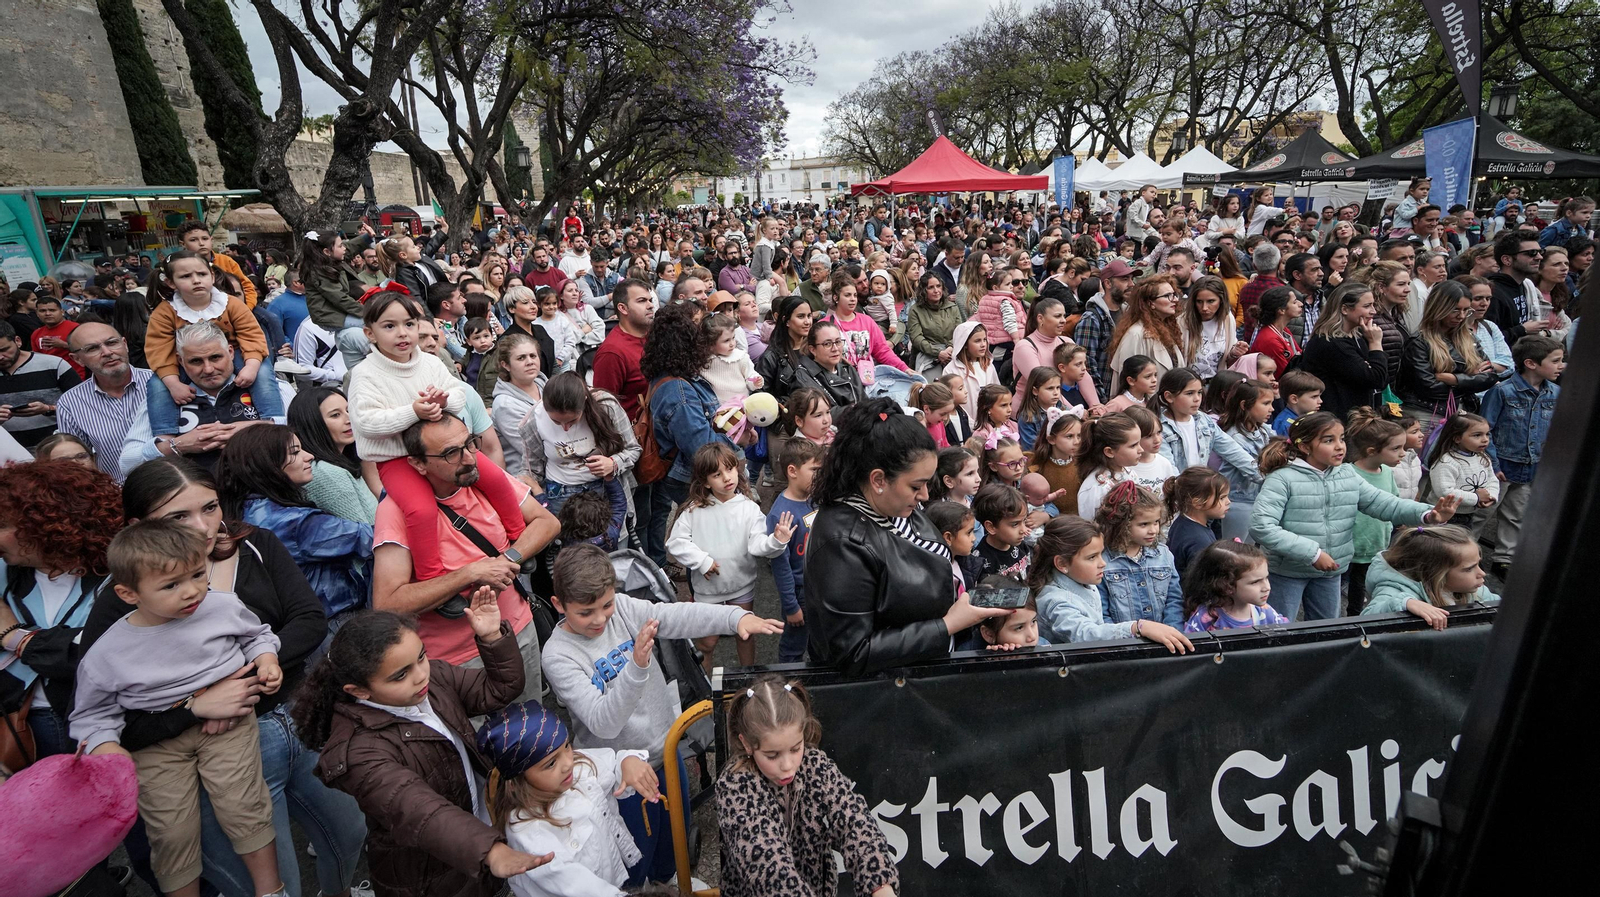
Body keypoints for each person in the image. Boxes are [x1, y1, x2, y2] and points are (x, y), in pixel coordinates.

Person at [72, 519, 289, 897]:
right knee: (171, 832)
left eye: (197, 575)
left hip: (230, 724)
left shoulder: (221, 606)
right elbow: (91, 715)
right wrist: (108, 749)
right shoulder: (107, 652)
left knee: (244, 805)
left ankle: (272, 890)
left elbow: (257, 634)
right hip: (158, 746)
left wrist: (267, 659)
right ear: (128, 593)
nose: (191, 592)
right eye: (171, 585)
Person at [541, 544, 780, 882]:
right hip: (620, 772)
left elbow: (674, 615)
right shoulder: (558, 655)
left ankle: (671, 879)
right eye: (586, 612)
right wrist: (637, 666)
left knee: (673, 838)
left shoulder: (622, 609)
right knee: (635, 856)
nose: (599, 619)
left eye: (606, 605)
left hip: (665, 752)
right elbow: (603, 723)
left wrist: (735, 616)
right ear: (559, 605)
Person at [295, 608, 554, 897]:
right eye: (400, 675)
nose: (421, 676)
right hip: (429, 876)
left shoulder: (435, 680)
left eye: (421, 656)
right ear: (360, 691)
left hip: (476, 845)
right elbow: (420, 811)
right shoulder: (359, 752)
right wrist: (490, 850)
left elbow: (498, 690)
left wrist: (493, 637)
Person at [804, 398, 1008, 677]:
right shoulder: (842, 543)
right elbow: (852, 652)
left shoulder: (893, 504)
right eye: (916, 485)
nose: (925, 495)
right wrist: (947, 625)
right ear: (878, 480)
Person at [370, 412, 558, 702]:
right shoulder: (396, 513)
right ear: (418, 463)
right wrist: (470, 574)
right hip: (460, 661)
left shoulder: (483, 481)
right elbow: (388, 603)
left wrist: (508, 558)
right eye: (451, 453)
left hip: (517, 632)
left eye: (470, 444)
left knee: (534, 733)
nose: (469, 458)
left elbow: (547, 522)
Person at [350, 291, 529, 582]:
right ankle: (432, 575)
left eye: (409, 324)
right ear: (370, 333)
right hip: (397, 459)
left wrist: (445, 400)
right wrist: (413, 412)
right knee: (420, 510)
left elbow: (460, 393)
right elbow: (367, 422)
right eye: (389, 326)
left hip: (447, 449)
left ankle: (518, 538)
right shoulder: (365, 374)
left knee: (495, 478)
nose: (402, 333)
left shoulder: (430, 363)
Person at [1251, 412, 1459, 621]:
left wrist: (1427, 514)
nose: (1340, 446)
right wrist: (1313, 554)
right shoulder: (1282, 478)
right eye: (1329, 440)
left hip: (1331, 570)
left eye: (1341, 438)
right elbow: (1262, 526)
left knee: (1327, 629)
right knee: (1277, 628)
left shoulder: (1347, 474)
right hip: (1287, 572)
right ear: (1305, 447)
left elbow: (1383, 503)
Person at [715, 675, 900, 897]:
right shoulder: (734, 787)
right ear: (746, 743)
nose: (788, 766)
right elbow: (768, 866)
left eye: (796, 748)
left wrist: (880, 884)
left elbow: (854, 821)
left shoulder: (815, 764)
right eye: (772, 755)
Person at [476, 701, 657, 897]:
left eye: (567, 746)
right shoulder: (529, 833)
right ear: (518, 778)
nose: (568, 763)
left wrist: (626, 761)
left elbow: (610, 763)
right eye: (551, 763)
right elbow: (576, 886)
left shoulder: (577, 765)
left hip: (618, 869)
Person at [215, 425, 373, 629]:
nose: (309, 457)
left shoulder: (242, 508)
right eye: (295, 453)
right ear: (267, 464)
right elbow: (371, 538)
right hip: (333, 622)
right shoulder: (295, 522)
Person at [667, 443, 794, 668]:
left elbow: (757, 545)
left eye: (730, 469)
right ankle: (706, 689)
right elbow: (676, 542)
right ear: (705, 481)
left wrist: (777, 541)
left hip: (741, 585)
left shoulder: (749, 508)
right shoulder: (694, 510)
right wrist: (702, 561)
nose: (727, 478)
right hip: (707, 590)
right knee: (707, 642)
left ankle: (746, 680)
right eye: (717, 474)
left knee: (744, 634)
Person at [123, 321, 287, 474]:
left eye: (215, 357)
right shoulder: (162, 398)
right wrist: (178, 446)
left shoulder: (274, 389)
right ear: (181, 361)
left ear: (230, 352)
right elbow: (127, 464)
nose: (208, 369)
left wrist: (256, 431)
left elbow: (303, 436)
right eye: (196, 361)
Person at [1480, 334, 1562, 578]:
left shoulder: (1555, 393)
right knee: (1482, 513)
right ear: (1531, 363)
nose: (1561, 366)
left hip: (1531, 466)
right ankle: (1461, 552)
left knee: (1516, 515)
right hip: (1501, 464)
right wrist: (1492, 463)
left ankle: (1504, 560)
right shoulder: (1503, 392)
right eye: (1555, 361)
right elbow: (1485, 429)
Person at [643, 301, 739, 511]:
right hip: (691, 479)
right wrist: (738, 440)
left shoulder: (670, 376)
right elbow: (703, 449)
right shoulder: (679, 392)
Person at [519, 371, 638, 515]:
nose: (565, 428)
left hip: (605, 489)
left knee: (612, 536)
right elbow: (532, 471)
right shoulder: (534, 420)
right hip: (559, 495)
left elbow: (633, 449)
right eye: (556, 421)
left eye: (572, 421)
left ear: (585, 401)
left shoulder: (606, 406)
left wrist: (613, 463)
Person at [1359, 525, 1500, 629]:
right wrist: (1405, 603)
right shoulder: (1396, 589)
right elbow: (1366, 620)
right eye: (1469, 568)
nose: (1482, 573)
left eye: (1478, 564)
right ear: (1436, 573)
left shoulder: (1473, 589)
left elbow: (1501, 609)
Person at [1400, 281, 1499, 424]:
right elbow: (1429, 387)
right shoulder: (1419, 342)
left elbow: (1490, 377)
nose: (1462, 316)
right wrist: (1471, 377)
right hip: (1427, 414)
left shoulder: (1469, 338)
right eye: (1455, 310)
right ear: (1439, 308)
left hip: (1462, 411)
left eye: (1466, 310)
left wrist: (1453, 379)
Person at [288, 387, 380, 525]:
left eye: (349, 411)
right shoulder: (326, 473)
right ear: (312, 423)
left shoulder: (347, 461)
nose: (349, 419)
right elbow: (365, 534)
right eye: (335, 415)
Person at [1346, 407, 1408, 615]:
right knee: (1342, 589)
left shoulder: (1388, 472)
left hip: (1376, 543)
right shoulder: (1348, 473)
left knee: (1363, 589)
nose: (1403, 453)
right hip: (1348, 546)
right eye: (1396, 448)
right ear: (1372, 451)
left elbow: (1393, 501)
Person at [768, 438, 822, 665]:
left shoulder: (815, 500)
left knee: (819, 642)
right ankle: (789, 689)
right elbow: (781, 567)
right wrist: (791, 607)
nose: (819, 477)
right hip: (799, 594)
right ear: (792, 471)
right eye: (814, 470)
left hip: (820, 587)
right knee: (794, 647)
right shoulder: (781, 515)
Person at [1, 319, 79, 449]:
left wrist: (48, 409)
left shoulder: (53, 365)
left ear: (18, 341)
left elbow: (84, 405)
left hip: (57, 449)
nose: (0, 357)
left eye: (4, 350)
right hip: (9, 453)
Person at [1180, 540, 1287, 632]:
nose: (1267, 587)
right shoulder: (1206, 617)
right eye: (1255, 582)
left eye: (1266, 578)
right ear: (1226, 585)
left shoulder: (1266, 612)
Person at [488, 332, 548, 477]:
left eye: (533, 356)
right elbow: (535, 451)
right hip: (531, 480)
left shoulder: (545, 385)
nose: (529, 362)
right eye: (521, 358)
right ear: (506, 365)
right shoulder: (505, 405)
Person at [1164, 466, 1229, 578]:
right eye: (1222, 498)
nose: (1228, 502)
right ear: (1198, 503)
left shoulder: (1183, 522)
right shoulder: (1198, 540)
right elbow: (1204, 581)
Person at [793, 320, 866, 409]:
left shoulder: (847, 368)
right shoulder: (803, 377)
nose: (835, 348)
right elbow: (821, 414)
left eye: (838, 342)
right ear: (813, 350)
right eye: (827, 344)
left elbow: (864, 400)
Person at [29, 295, 83, 377]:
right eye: (43, 311)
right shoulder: (36, 333)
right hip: (50, 378)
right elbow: (37, 358)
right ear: (37, 313)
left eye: (52, 310)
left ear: (62, 312)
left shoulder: (76, 328)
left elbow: (88, 349)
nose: (47, 314)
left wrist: (64, 345)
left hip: (76, 376)